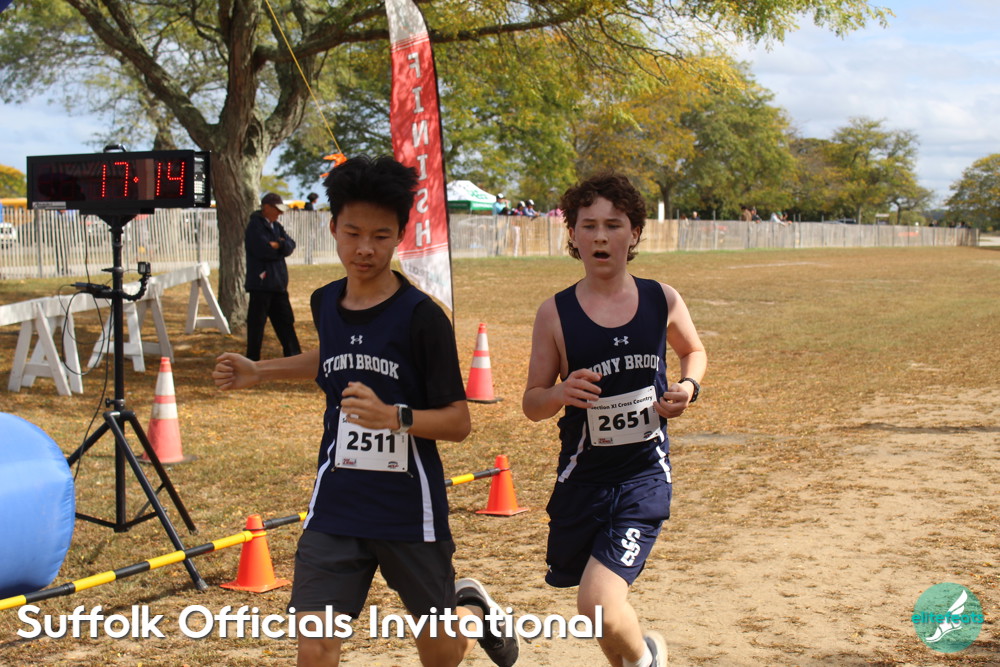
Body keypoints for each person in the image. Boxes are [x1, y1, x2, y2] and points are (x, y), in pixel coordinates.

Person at [214, 156, 518, 667]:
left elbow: (458, 422)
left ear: (400, 235)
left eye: (380, 236)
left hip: (409, 510)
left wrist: (396, 417)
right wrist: (258, 371)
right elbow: (331, 358)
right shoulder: (324, 302)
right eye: (353, 233)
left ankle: (471, 611)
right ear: (333, 227)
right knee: (315, 648)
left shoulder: (423, 318)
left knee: (440, 655)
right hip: (337, 503)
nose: (365, 249)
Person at [522, 172, 707, 667]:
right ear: (573, 235)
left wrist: (688, 387)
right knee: (597, 609)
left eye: (613, 225)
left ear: (635, 233)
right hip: (582, 480)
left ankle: (645, 661)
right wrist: (560, 392)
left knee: (597, 604)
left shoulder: (661, 299)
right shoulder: (555, 313)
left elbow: (693, 351)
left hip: (643, 475)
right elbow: (532, 403)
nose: (600, 237)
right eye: (589, 226)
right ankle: (642, 658)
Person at [244, 192, 302, 361]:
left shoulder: (276, 226)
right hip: (261, 284)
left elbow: (291, 245)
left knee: (286, 321)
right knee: (257, 324)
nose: (280, 213)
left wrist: (280, 245)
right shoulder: (255, 227)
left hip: (278, 284)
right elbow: (263, 251)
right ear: (266, 207)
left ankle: (294, 357)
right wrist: (280, 248)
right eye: (277, 209)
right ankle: (252, 359)